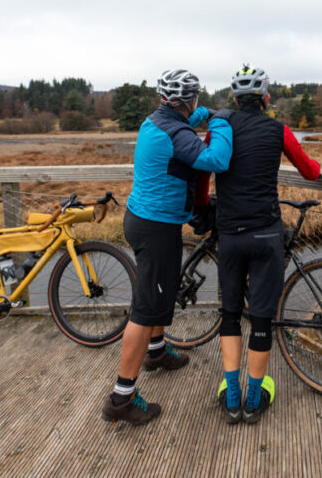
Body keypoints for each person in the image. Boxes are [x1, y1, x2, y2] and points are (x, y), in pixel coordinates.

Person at [101, 69, 232, 426]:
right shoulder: (176, 133)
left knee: (159, 293)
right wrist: (222, 125)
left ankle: (156, 353)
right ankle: (120, 398)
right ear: (186, 99)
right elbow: (216, 160)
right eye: (196, 99)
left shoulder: (158, 121)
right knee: (145, 310)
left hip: (148, 221)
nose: (198, 105)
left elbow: (193, 118)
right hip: (156, 228)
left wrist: (208, 114)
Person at [196, 65, 321, 425]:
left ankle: (231, 397)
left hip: (230, 235)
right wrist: (319, 167)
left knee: (231, 315)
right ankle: (254, 399)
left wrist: (203, 209)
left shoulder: (220, 128)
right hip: (266, 234)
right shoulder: (278, 130)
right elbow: (310, 171)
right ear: (266, 99)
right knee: (262, 317)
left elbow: (203, 175)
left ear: (234, 100)